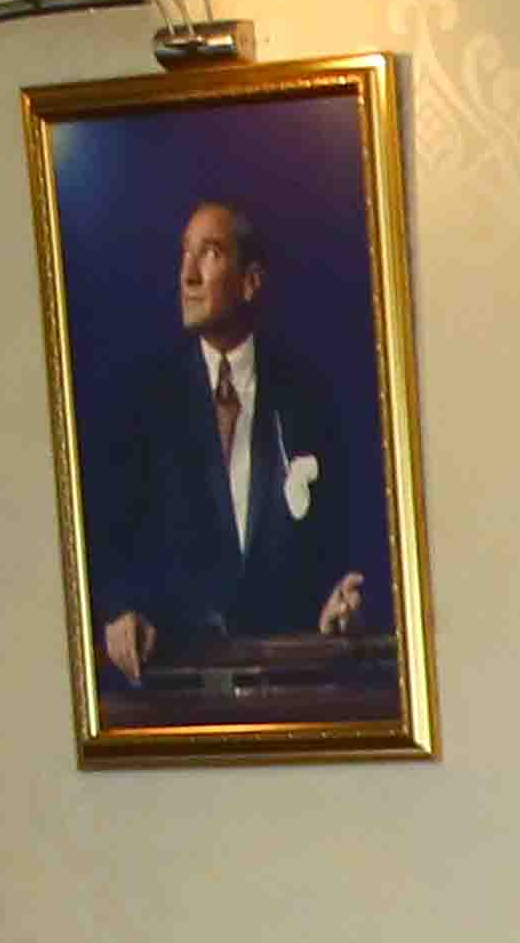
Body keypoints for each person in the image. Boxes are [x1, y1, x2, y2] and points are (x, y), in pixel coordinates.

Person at [87, 197, 378, 688]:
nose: (188, 276)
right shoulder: (143, 401)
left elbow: (345, 538)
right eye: (184, 254)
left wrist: (340, 600)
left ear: (251, 281)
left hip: (291, 684)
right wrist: (121, 610)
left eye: (210, 253)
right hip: (177, 685)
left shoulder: (309, 395)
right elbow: (110, 541)